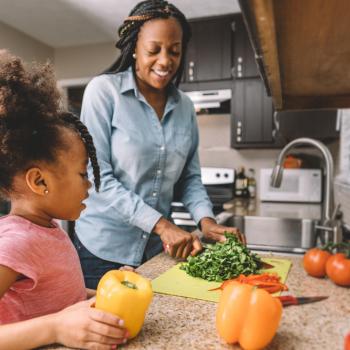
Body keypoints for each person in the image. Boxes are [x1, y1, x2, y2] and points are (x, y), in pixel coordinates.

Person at [75, 0, 244, 289]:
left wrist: (206, 221)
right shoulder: (104, 92)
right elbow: (98, 176)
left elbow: (190, 179)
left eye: (174, 51)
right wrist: (163, 225)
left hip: (155, 253)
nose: (165, 61)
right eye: (154, 50)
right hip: (101, 251)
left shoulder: (185, 108)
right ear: (134, 49)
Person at [0, 51, 129, 349]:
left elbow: (56, 296)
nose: (89, 184)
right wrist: (55, 329)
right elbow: (54, 320)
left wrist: (105, 295)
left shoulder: (49, 228)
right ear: (40, 181)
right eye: (83, 173)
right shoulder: (15, 243)